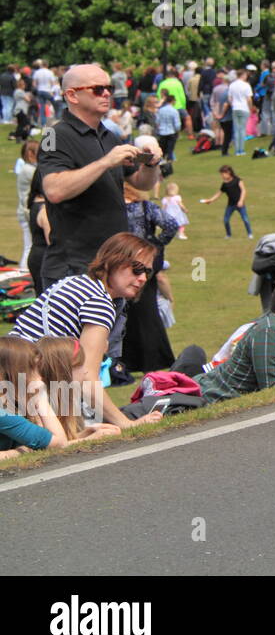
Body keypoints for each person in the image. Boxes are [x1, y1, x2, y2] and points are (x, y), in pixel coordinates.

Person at [10, 233, 165, 429]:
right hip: (25, 390)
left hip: (14, 379)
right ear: (112, 261)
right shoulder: (99, 302)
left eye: (147, 273)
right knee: (103, 425)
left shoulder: (78, 283)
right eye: (136, 269)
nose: (142, 278)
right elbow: (86, 377)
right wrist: (126, 424)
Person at [38, 64, 162, 286]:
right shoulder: (53, 135)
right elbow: (54, 190)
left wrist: (152, 164)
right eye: (97, 89)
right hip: (74, 267)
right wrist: (105, 162)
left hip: (112, 265)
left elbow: (141, 183)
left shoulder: (108, 136)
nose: (106, 93)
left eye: (109, 87)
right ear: (72, 95)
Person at [122, 183, 178, 373]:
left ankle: (128, 361)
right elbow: (171, 225)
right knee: (147, 310)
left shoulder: (112, 211)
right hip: (146, 261)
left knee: (125, 314)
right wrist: (155, 244)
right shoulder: (145, 207)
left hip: (121, 263)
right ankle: (153, 360)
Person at [199, 165, 252, 239]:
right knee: (226, 220)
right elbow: (218, 193)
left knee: (245, 219)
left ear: (228, 172)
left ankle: (250, 234)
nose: (222, 176)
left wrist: (241, 200)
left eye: (223, 174)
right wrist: (210, 200)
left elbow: (243, 190)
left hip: (240, 204)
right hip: (230, 205)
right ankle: (228, 235)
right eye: (221, 174)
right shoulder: (224, 184)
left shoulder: (237, 180)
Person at [14, 139, 37, 269]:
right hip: (27, 212)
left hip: (25, 211)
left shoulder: (27, 168)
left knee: (30, 245)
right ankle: (24, 271)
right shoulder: (28, 170)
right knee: (30, 246)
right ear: (30, 154)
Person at [154, 91, 181, 161]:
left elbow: (157, 121)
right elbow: (177, 124)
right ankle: (169, 161)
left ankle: (161, 160)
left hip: (162, 132)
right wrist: (177, 131)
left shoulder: (161, 110)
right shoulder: (174, 111)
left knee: (162, 148)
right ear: (172, 101)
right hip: (171, 132)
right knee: (170, 149)